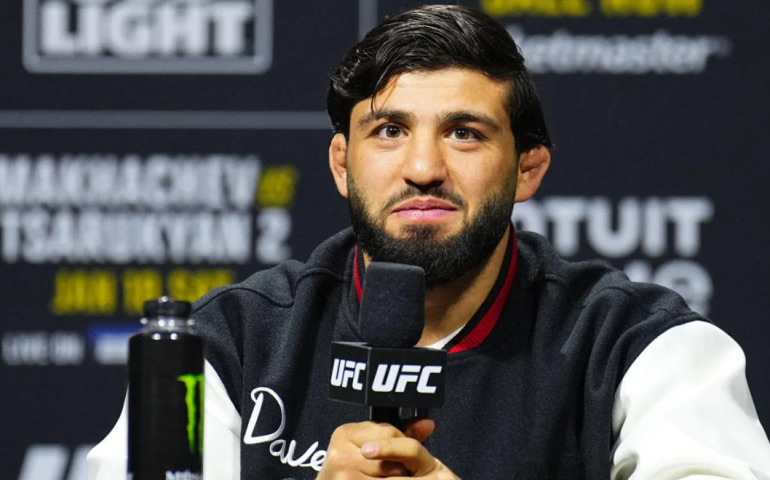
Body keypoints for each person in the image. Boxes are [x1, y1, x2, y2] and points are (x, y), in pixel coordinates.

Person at [88, 5, 770, 480]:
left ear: (527, 168)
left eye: (464, 133)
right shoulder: (229, 343)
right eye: (389, 131)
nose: (422, 167)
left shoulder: (641, 348)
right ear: (341, 163)